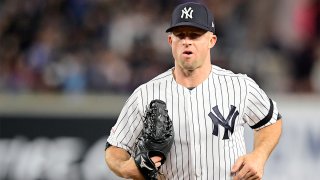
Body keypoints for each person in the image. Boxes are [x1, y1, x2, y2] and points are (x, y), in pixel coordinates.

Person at [105, 2, 282, 180]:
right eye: (180, 35)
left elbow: (271, 122)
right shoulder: (145, 94)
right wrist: (125, 168)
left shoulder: (239, 86)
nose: (187, 41)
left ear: (211, 40)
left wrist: (259, 156)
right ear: (170, 41)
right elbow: (115, 148)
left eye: (195, 35)